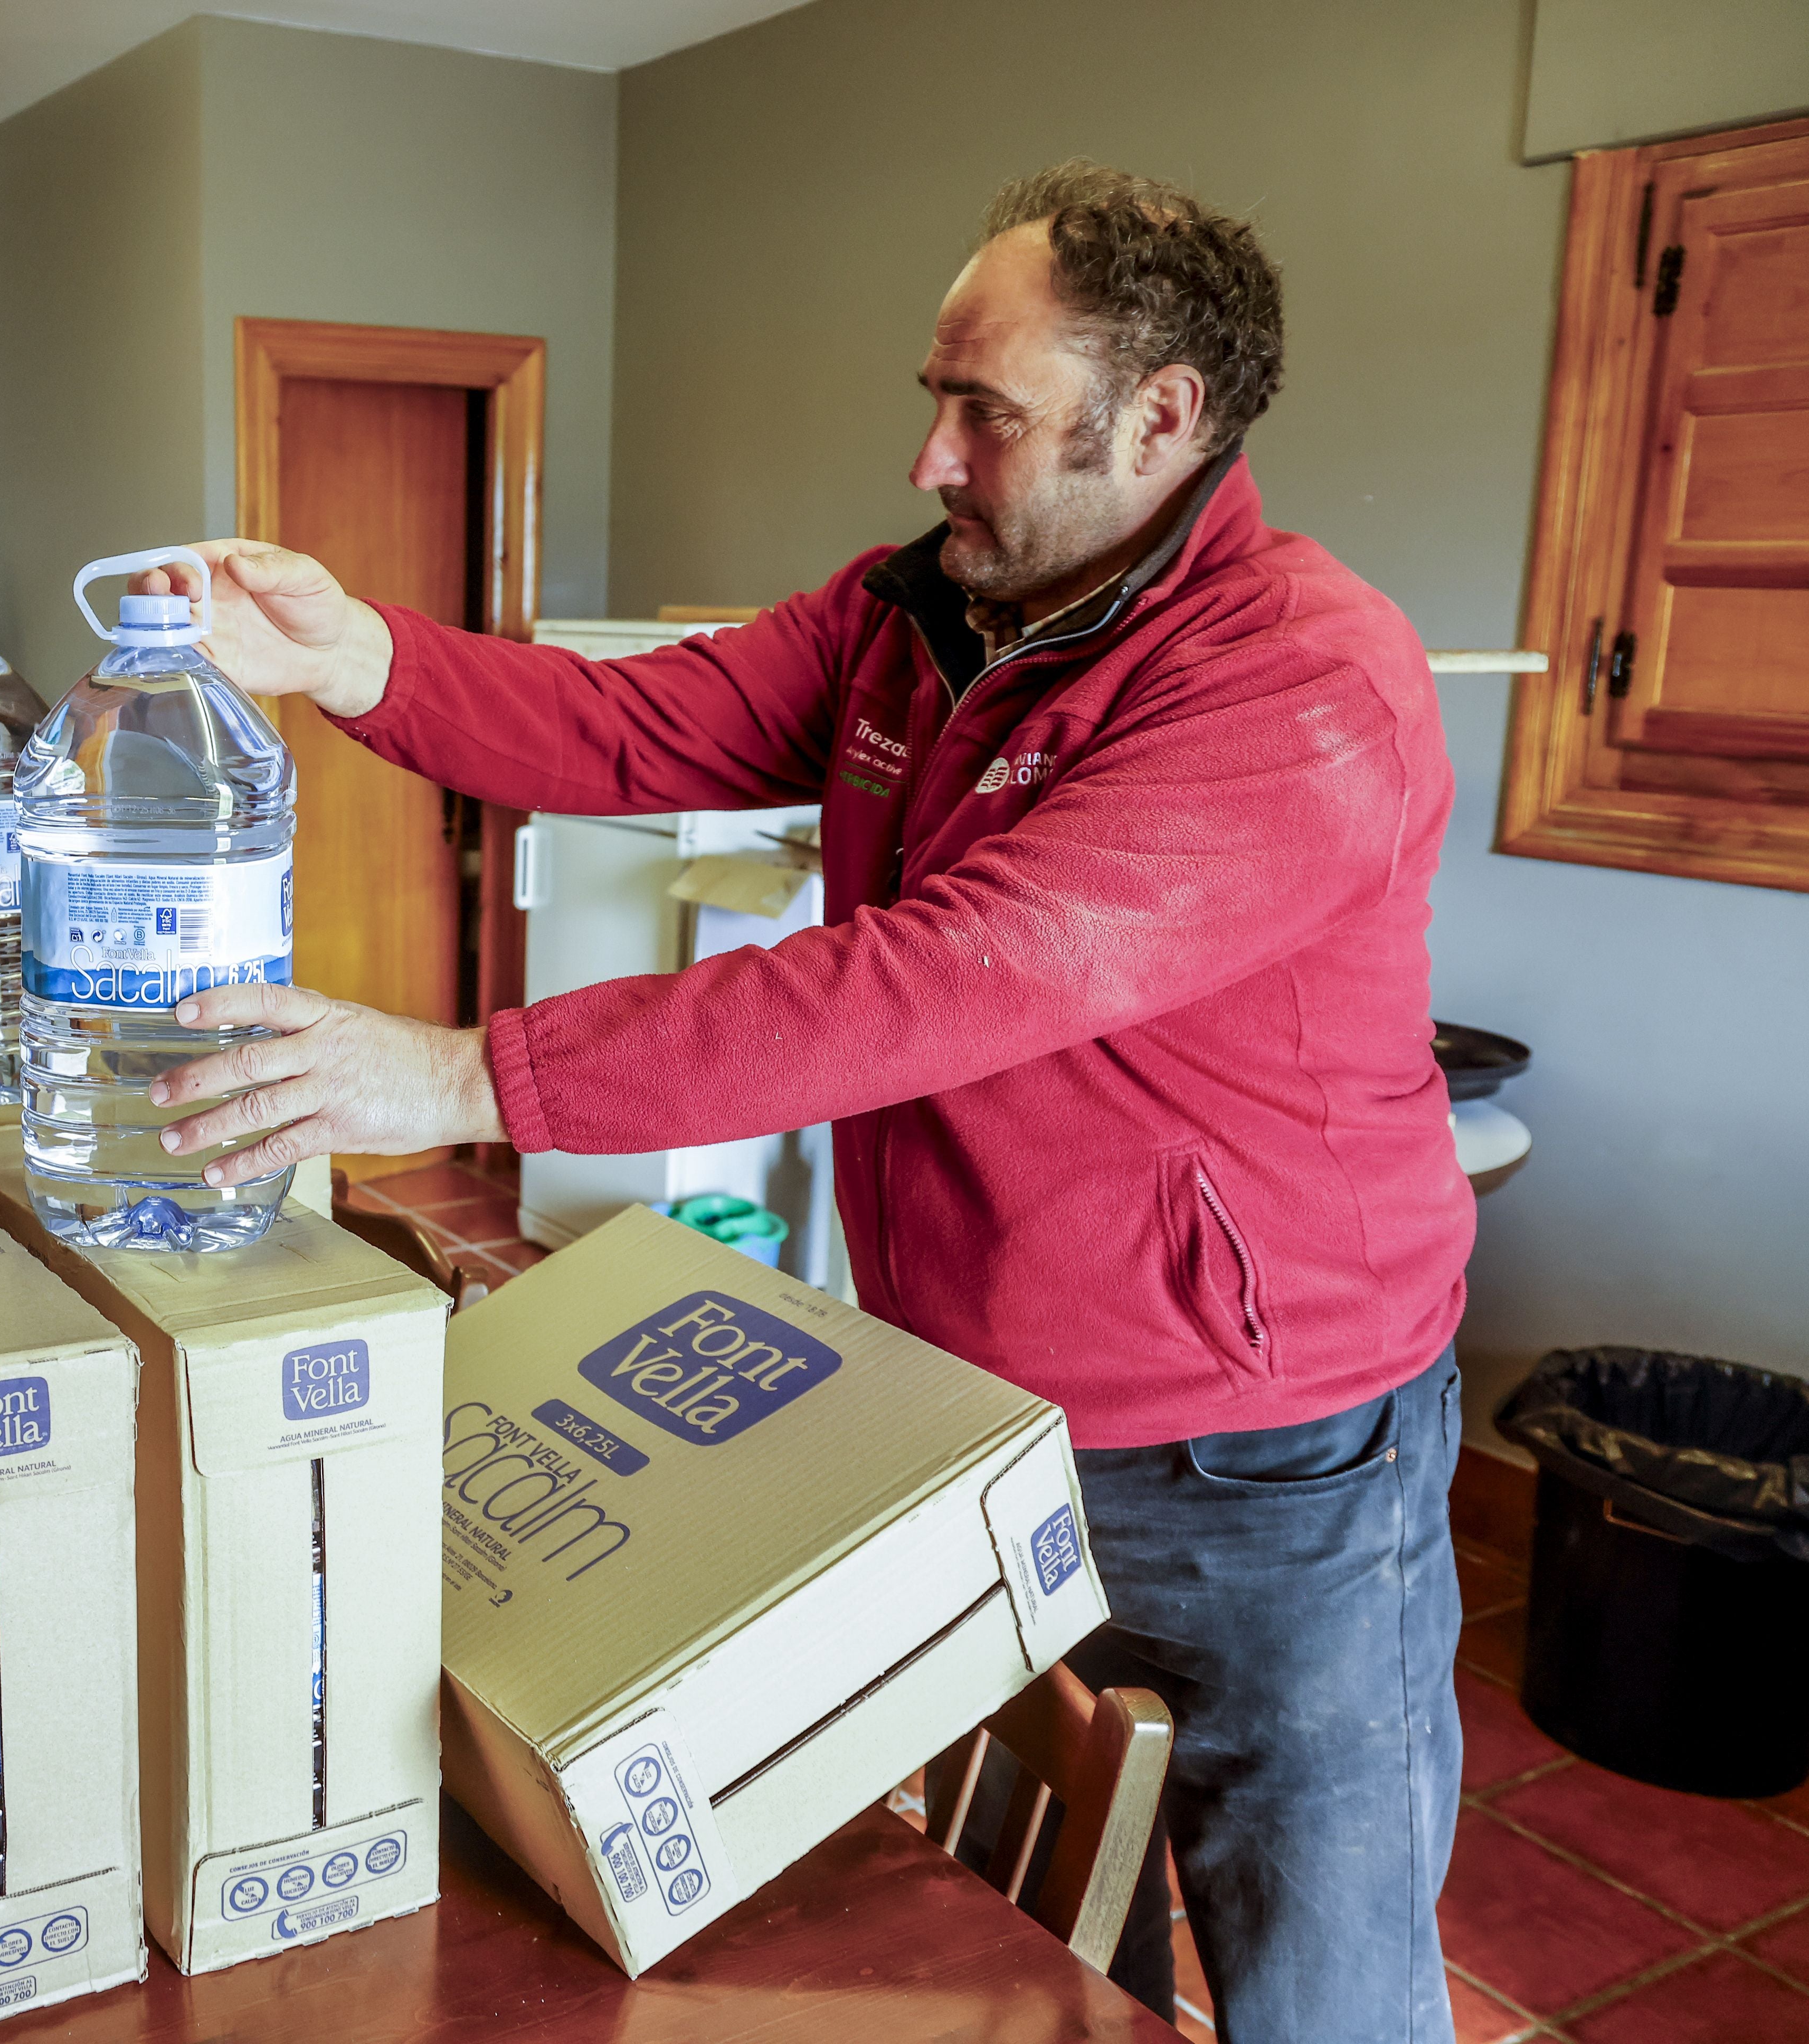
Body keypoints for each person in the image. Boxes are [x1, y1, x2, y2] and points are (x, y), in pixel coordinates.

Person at [137, 162, 1474, 2042]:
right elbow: (633, 726)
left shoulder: (1298, 686)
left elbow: (951, 979)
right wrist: (354, 655)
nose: (932, 458)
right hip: (984, 1387)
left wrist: (464, 1073)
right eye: (937, 397)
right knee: (1080, 1914)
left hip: (1268, 1442)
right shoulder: (917, 612)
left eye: (986, 413)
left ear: (1163, 417)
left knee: (1319, 1966)